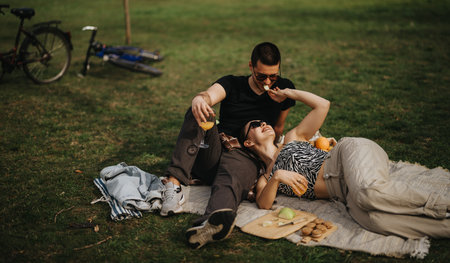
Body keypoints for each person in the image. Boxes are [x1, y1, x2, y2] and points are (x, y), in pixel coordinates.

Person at [239, 89, 450, 239]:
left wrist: (289, 94)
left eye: (264, 121)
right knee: (376, 221)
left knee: (369, 194)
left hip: (348, 156)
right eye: (256, 124)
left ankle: (443, 204)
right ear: (248, 142)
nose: (264, 124)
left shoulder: (292, 138)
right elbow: (264, 205)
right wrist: (277, 177)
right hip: (344, 192)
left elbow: (322, 105)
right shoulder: (266, 178)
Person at [161, 42, 297, 248]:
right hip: (215, 149)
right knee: (199, 110)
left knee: (231, 179)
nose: (267, 81)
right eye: (262, 76)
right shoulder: (233, 83)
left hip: (246, 154)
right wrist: (200, 99)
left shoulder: (283, 89)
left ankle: (208, 225)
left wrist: (271, 157)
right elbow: (209, 95)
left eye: (273, 76)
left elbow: (279, 127)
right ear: (251, 66)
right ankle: (174, 183)